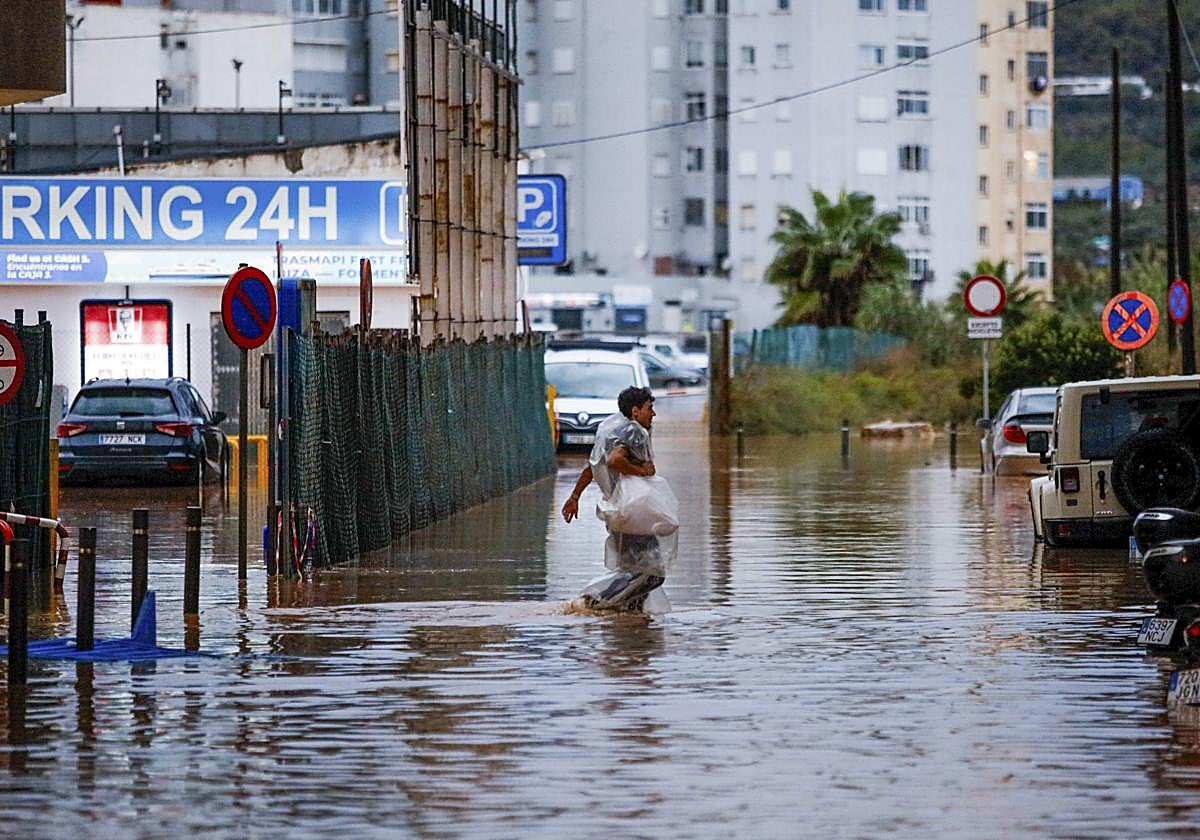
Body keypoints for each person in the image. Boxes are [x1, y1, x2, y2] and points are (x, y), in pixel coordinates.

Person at [561, 386, 675, 613]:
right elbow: (614, 461)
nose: (653, 414)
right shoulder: (633, 432)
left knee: (632, 572)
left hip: (620, 513)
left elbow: (592, 466)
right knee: (653, 574)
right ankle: (594, 601)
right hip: (634, 515)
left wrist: (574, 496)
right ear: (635, 411)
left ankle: (628, 627)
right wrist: (642, 471)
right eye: (649, 409)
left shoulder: (612, 429)